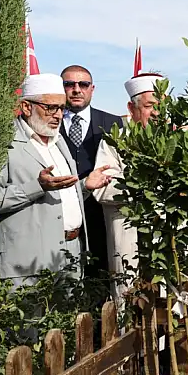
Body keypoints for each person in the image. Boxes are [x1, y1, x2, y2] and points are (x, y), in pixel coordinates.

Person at [0, 74, 111, 287]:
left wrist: (84, 186)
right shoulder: (4, 143)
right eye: (50, 107)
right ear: (27, 107)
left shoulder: (57, 141)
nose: (58, 115)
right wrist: (36, 187)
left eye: (61, 108)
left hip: (71, 256)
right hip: (27, 263)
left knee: (67, 320)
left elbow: (59, 196)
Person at [93, 73, 164, 301]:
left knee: (169, 304)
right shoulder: (114, 141)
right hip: (127, 235)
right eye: (150, 106)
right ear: (131, 109)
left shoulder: (174, 141)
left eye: (160, 107)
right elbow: (102, 188)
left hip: (165, 238)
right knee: (126, 302)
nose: (156, 113)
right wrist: (140, 187)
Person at [59, 65, 124, 283]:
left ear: (92, 89)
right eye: (69, 84)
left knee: (102, 275)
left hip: (100, 215)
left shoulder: (113, 123)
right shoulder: (50, 123)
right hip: (61, 215)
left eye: (83, 84)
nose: (76, 90)